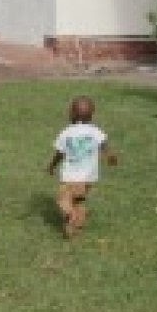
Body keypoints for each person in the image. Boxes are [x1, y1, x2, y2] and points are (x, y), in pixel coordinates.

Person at [47, 96, 118, 239]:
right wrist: (111, 156)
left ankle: (68, 212)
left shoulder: (66, 132)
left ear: (71, 114)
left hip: (71, 176)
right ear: (92, 114)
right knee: (79, 201)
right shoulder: (95, 131)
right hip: (89, 177)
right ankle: (74, 228)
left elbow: (59, 154)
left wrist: (51, 166)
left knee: (63, 198)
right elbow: (105, 146)